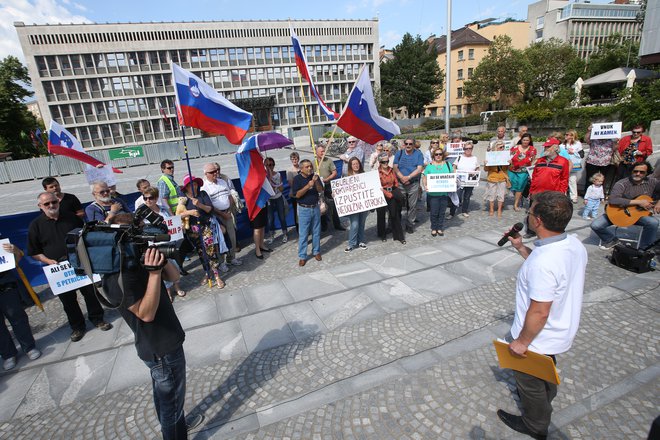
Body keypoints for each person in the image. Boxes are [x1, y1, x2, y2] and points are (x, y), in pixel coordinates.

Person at [497, 191, 587, 440]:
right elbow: (551, 273)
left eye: (530, 212)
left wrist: (521, 342)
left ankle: (535, 424)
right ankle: (547, 398)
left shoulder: (544, 263)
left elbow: (539, 311)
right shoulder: (573, 244)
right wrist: (521, 248)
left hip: (538, 339)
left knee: (530, 384)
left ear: (537, 220)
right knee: (547, 372)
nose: (527, 216)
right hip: (559, 331)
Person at [101, 232, 203, 439]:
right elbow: (146, 314)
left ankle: (177, 424)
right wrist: (155, 275)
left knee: (167, 396)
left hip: (166, 342)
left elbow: (174, 277)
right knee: (171, 403)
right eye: (133, 238)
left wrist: (160, 260)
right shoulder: (116, 277)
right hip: (160, 349)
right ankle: (174, 430)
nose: (139, 242)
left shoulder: (136, 260)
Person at [28, 192, 112, 342]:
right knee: (68, 301)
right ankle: (77, 327)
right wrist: (47, 260)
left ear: (58, 202)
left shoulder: (72, 217)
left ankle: (97, 319)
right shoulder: (35, 225)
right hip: (59, 269)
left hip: (79, 262)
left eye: (53, 202)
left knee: (90, 293)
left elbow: (85, 236)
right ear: (40, 206)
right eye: (46, 204)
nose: (51, 205)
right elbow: (34, 252)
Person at [591, 161, 660, 250]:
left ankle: (644, 249)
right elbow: (613, 199)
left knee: (653, 223)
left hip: (639, 215)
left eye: (642, 172)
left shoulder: (653, 182)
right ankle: (611, 239)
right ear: (632, 171)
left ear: (647, 173)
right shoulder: (622, 183)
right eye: (635, 171)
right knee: (596, 225)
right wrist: (639, 202)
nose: (638, 174)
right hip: (618, 213)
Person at [179, 175, 228, 288]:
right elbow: (179, 213)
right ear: (186, 187)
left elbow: (210, 209)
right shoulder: (183, 198)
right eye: (191, 185)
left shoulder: (203, 194)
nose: (194, 187)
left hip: (205, 228)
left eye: (195, 184)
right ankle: (207, 273)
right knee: (201, 253)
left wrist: (199, 205)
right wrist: (190, 212)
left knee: (210, 252)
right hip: (192, 230)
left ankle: (216, 275)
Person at [0, 239, 41, 371]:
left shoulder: (1, 243)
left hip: (5, 286)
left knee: (18, 318)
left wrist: (15, 251)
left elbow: (16, 260)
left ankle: (29, 347)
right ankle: (8, 354)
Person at [142, 187, 186, 301]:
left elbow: (172, 221)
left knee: (175, 265)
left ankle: (177, 287)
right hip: (155, 245)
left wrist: (178, 226)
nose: (147, 200)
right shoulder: (143, 214)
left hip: (169, 241)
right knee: (163, 268)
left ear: (156, 198)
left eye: (150, 198)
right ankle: (168, 291)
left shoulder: (163, 209)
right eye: (145, 198)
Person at [201, 163, 242, 269]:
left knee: (232, 237)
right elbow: (209, 205)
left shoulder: (223, 181)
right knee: (220, 240)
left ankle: (231, 258)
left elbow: (230, 196)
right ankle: (221, 262)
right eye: (212, 172)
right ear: (206, 174)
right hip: (216, 216)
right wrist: (222, 214)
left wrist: (229, 209)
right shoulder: (204, 187)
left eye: (216, 171)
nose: (215, 173)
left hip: (228, 213)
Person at [292, 159, 324, 266]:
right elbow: (297, 195)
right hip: (303, 209)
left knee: (316, 231)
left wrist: (315, 182)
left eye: (310, 166)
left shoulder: (314, 177)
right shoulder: (297, 179)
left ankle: (316, 251)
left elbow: (320, 190)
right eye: (307, 167)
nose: (309, 168)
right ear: (301, 169)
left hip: (315, 207)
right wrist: (308, 186)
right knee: (303, 234)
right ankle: (302, 256)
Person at [393, 138, 424, 234]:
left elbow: (419, 169)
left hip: (413, 183)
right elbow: (395, 167)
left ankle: (410, 224)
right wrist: (402, 177)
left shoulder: (418, 154)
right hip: (400, 182)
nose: (408, 145)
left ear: (414, 144)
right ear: (404, 144)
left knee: (412, 205)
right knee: (398, 204)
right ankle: (396, 223)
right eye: (406, 143)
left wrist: (408, 177)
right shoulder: (400, 153)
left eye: (410, 144)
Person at [422, 147, 453, 237]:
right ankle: (434, 228)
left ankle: (440, 228)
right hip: (433, 194)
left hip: (444, 193)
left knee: (442, 212)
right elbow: (425, 177)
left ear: (443, 155)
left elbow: (452, 175)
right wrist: (425, 186)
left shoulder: (447, 164)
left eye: (440, 154)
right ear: (433, 156)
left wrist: (453, 182)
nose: (438, 156)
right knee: (434, 212)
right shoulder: (430, 165)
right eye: (436, 154)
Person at [376, 153, 405, 244]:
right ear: (380, 162)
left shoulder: (391, 170)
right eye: (383, 162)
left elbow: (395, 182)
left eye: (387, 161)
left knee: (394, 214)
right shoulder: (377, 172)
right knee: (381, 215)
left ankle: (399, 236)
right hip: (382, 193)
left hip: (392, 192)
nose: (385, 163)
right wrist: (387, 193)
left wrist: (394, 190)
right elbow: (377, 186)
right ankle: (382, 234)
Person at [315, 145, 346, 232]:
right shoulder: (314, 163)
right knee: (321, 206)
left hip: (328, 186)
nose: (323, 153)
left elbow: (334, 172)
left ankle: (337, 224)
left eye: (324, 151)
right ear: (316, 152)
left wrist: (327, 179)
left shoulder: (328, 160)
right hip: (319, 188)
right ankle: (324, 225)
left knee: (333, 205)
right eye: (321, 151)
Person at [584, 123, 617, 196]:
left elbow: (615, 149)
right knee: (590, 179)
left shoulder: (611, 140)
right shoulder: (594, 139)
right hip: (592, 162)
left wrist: (615, 141)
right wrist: (589, 131)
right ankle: (587, 194)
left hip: (605, 163)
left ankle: (599, 195)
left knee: (602, 180)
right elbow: (586, 140)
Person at [343, 157, 369, 252]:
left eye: (357, 163)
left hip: (364, 204)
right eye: (353, 164)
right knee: (354, 224)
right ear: (350, 166)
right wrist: (336, 195)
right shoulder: (347, 177)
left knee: (361, 223)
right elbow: (342, 190)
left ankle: (361, 241)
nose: (356, 165)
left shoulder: (365, 175)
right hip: (354, 205)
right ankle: (351, 243)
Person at [450, 141, 480, 218]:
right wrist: (455, 174)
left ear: (472, 149)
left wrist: (476, 173)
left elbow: (477, 168)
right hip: (459, 181)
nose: (468, 150)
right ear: (463, 149)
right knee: (456, 196)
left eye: (470, 148)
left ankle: (464, 211)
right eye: (466, 148)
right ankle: (452, 213)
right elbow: (454, 167)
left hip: (470, 181)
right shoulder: (460, 157)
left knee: (467, 197)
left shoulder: (475, 158)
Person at [508, 134, 537, 212]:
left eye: (527, 140)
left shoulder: (532, 149)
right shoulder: (514, 148)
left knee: (520, 187)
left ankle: (516, 204)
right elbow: (509, 157)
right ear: (521, 140)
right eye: (524, 140)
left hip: (523, 171)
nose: (525, 141)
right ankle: (519, 198)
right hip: (512, 170)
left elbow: (533, 160)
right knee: (511, 185)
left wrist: (532, 169)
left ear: (530, 141)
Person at [264, 157, 288, 243]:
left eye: (270, 165)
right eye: (266, 165)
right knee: (270, 218)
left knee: (281, 216)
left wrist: (275, 186)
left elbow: (281, 188)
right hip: (269, 199)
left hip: (278, 197)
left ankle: (285, 233)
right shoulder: (263, 177)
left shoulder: (278, 175)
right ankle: (271, 235)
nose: (268, 167)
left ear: (273, 165)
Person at [483, 140, 510, 218]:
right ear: (496, 147)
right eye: (500, 147)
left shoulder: (506, 156)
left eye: (503, 147)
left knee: (501, 195)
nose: (502, 148)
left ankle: (499, 210)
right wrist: (486, 163)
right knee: (492, 194)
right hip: (492, 177)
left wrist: (510, 163)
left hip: (502, 178)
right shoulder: (490, 156)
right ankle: (491, 209)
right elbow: (486, 169)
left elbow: (509, 168)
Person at [559, 130, 583, 203]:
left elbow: (582, 154)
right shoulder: (562, 145)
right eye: (566, 134)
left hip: (573, 165)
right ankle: (563, 195)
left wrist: (573, 152)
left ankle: (574, 197)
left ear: (573, 136)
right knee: (563, 181)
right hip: (563, 165)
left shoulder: (577, 144)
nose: (566, 136)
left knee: (572, 180)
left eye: (568, 135)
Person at [286, 151, 301, 231]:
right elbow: (290, 183)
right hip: (295, 194)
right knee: (296, 212)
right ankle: (298, 229)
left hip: (303, 192)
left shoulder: (301, 167)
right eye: (292, 159)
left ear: (298, 159)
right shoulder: (289, 170)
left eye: (295, 159)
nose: (294, 161)